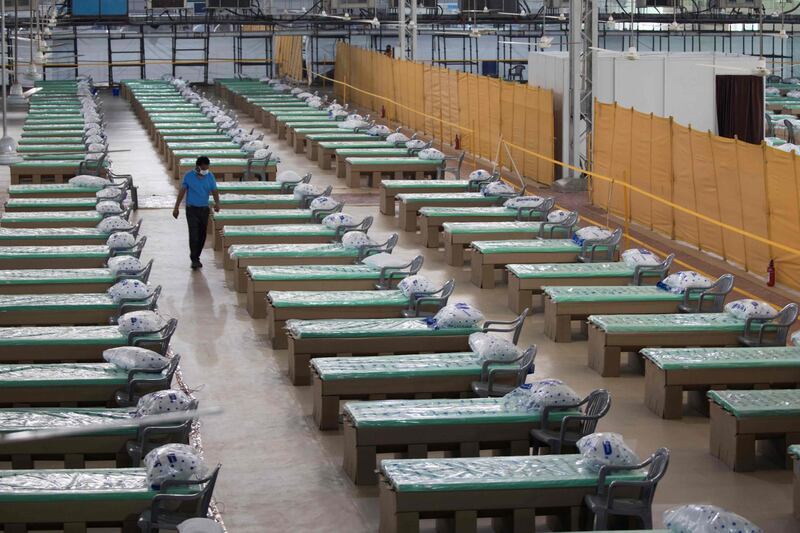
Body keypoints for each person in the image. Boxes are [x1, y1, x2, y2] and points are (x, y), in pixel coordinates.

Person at [173, 156, 221, 270]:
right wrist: (176, 207)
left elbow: (214, 191)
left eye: (207, 168)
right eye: (203, 168)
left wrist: (217, 203)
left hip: (204, 209)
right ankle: (194, 259)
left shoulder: (210, 176)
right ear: (197, 167)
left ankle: (196, 255)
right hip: (191, 209)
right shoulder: (189, 176)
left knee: (202, 235)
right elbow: (182, 191)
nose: (205, 170)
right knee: (194, 234)